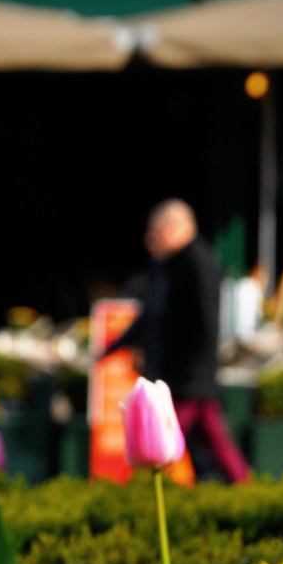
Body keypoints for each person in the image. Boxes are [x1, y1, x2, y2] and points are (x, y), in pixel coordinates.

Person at [104, 199, 250, 483]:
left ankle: (137, 489)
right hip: (179, 376)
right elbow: (150, 316)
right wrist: (112, 347)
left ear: (176, 228)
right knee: (211, 440)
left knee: (160, 437)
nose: (151, 241)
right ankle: (240, 485)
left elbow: (206, 324)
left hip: (188, 378)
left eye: (156, 233)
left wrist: (195, 371)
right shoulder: (167, 267)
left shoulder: (198, 263)